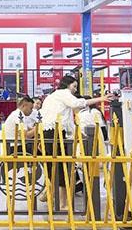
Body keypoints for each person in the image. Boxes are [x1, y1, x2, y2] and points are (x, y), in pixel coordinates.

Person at [39, 75, 111, 209]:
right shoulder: (63, 93)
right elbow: (77, 103)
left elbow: (67, 121)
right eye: (74, 86)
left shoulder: (53, 97)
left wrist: (78, 134)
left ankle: (50, 193)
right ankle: (62, 203)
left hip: (48, 133)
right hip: (56, 133)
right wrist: (101, 99)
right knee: (63, 167)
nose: (75, 90)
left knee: (54, 166)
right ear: (67, 85)